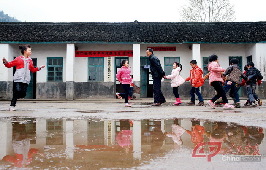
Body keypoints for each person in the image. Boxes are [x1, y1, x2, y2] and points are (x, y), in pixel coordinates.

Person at [2, 44, 45, 111]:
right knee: (17, 91)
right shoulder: (18, 59)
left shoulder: (30, 60)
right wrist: (5, 62)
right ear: (25, 51)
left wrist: (39, 68)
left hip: (26, 79)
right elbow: (9, 65)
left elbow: (32, 69)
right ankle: (12, 106)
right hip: (18, 79)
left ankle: (17, 97)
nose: (31, 52)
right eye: (29, 50)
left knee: (23, 94)